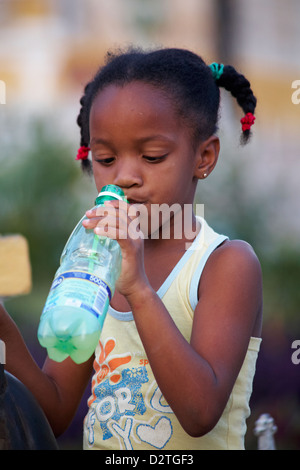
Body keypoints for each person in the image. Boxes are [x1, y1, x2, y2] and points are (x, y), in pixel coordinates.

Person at [0, 47, 262, 450]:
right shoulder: (90, 263)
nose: (124, 176)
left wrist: (137, 288)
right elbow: (50, 412)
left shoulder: (224, 266)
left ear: (203, 157)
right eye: (105, 158)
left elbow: (199, 412)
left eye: (152, 156)